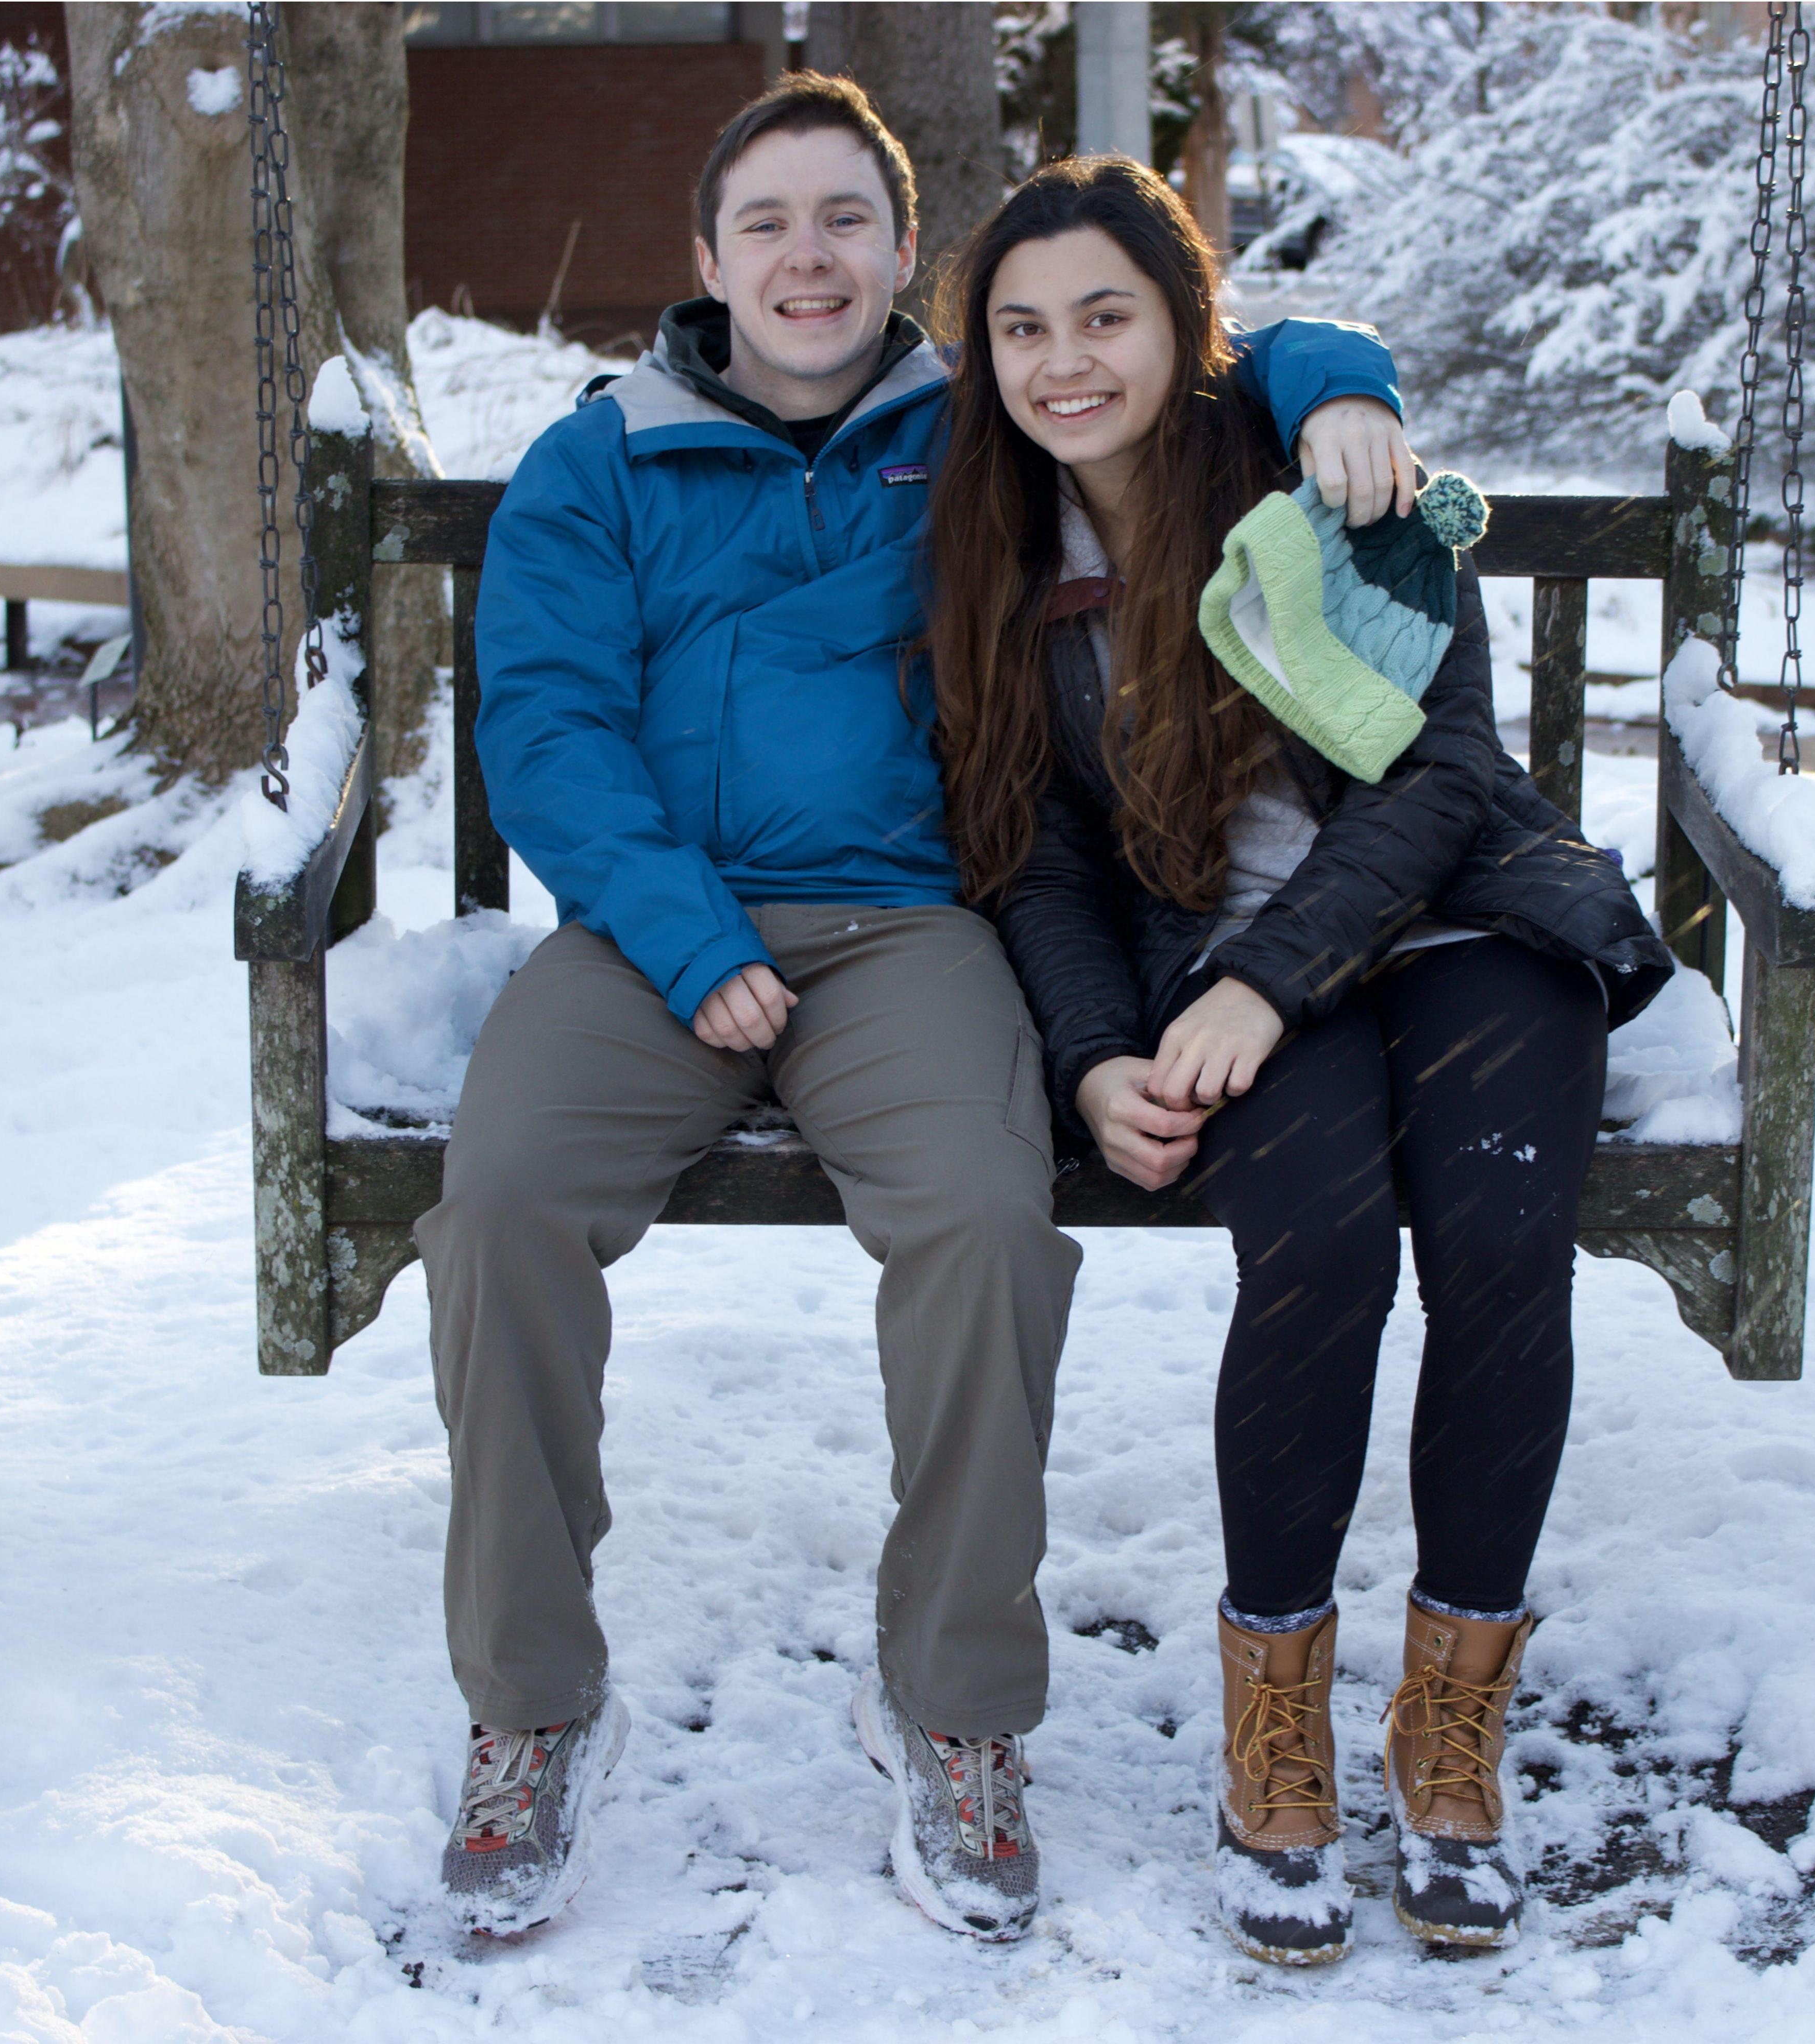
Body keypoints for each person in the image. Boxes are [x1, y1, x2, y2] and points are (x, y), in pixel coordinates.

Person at [414, 75, 1414, 1942]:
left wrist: (1341, 374)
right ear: (706, 259)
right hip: (654, 935)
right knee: (500, 1214)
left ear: (905, 260)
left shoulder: (972, 427)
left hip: (907, 928)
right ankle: (534, 1703)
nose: (808, 255)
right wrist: (687, 932)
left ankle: (953, 1705)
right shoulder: (599, 459)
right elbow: (545, 728)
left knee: (979, 1220)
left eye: (845, 221)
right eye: (768, 222)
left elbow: (1203, 348)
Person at [927, 157, 1674, 1963]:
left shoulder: (1331, 478)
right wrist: (1102, 1053)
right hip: (1218, 963)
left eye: (1108, 316)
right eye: (1022, 328)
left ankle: (1452, 1738)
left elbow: (1440, 772)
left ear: (1190, 330)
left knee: (1499, 1244)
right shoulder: (990, 554)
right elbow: (1022, 849)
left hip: (1463, 918)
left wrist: (1272, 975)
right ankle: (1278, 1743)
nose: (1065, 362)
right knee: (1322, 1246)